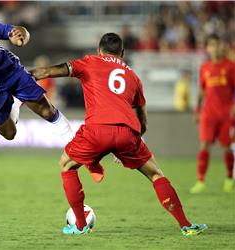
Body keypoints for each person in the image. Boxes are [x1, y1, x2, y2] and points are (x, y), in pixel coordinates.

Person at [31, 33, 207, 236]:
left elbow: (46, 72)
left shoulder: (89, 62)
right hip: (127, 132)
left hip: (96, 130)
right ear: (122, 53)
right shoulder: (133, 76)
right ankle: (186, 225)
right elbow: (142, 118)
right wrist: (127, 142)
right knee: (156, 174)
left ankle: (80, 226)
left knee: (67, 165)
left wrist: (20, 76)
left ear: (99, 50)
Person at [190, 34, 235, 194]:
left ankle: (230, 178)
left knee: (227, 147)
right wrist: (197, 110)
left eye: (217, 44)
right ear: (208, 48)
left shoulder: (230, 66)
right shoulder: (205, 67)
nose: (214, 48)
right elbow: (202, 91)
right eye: (211, 45)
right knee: (204, 145)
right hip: (208, 114)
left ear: (221, 46)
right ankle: (200, 180)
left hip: (226, 115)